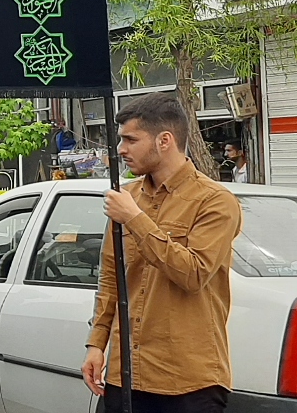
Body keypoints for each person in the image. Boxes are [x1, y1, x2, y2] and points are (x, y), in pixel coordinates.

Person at [84, 92, 243, 413]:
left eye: (131, 139)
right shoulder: (127, 197)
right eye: (121, 139)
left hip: (187, 380)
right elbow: (112, 277)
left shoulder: (214, 201)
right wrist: (96, 343)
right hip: (125, 373)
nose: (121, 149)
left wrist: (135, 219)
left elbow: (193, 274)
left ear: (164, 140)